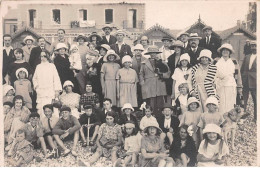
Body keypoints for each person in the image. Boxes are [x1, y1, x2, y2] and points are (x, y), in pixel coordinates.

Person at [139, 45, 171, 114]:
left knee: (160, 102)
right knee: (150, 102)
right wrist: (143, 84)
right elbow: (141, 74)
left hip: (160, 83)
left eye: (155, 53)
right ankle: (151, 116)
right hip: (149, 84)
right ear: (149, 54)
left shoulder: (162, 62)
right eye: (151, 53)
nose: (153, 54)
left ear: (157, 53)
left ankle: (160, 116)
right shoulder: (144, 63)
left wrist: (161, 75)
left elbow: (168, 73)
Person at [32, 51, 62, 117]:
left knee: (53, 109)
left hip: (50, 91)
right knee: (42, 110)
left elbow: (56, 78)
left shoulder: (52, 66)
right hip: (41, 92)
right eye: (41, 56)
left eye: (44, 56)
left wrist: (57, 90)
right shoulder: (38, 67)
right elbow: (34, 78)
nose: (43, 58)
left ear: (48, 57)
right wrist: (37, 87)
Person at [215, 43, 243, 114]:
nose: (225, 52)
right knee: (220, 103)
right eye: (223, 50)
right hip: (219, 86)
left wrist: (239, 87)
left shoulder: (234, 61)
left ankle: (229, 121)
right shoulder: (216, 61)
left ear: (230, 52)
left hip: (231, 85)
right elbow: (212, 74)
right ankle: (221, 121)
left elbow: (237, 75)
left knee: (230, 103)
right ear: (221, 51)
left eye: (227, 50)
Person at [240, 41, 257, 121]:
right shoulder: (247, 56)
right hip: (245, 81)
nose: (254, 48)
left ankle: (256, 117)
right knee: (244, 100)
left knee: (256, 100)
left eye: (255, 46)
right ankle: (242, 116)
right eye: (252, 46)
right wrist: (241, 79)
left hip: (255, 82)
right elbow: (242, 69)